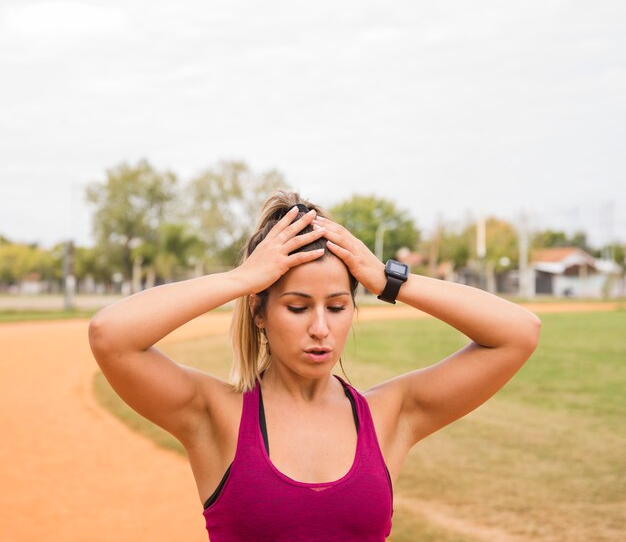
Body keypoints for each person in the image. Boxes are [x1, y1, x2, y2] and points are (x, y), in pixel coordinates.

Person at [88, 190, 541, 542]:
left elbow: (518, 333)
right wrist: (242, 278)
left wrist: (387, 278)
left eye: (338, 307)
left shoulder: (391, 414)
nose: (321, 328)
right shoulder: (214, 414)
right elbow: (112, 336)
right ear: (260, 313)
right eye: (298, 307)